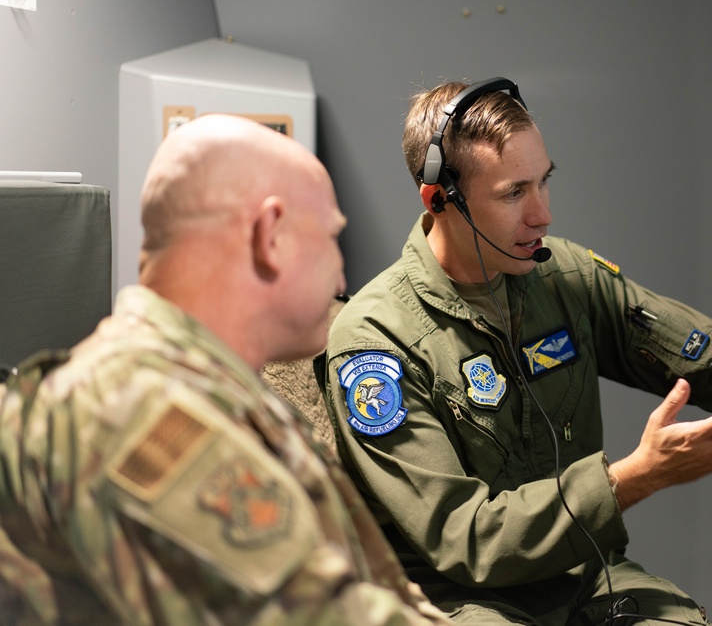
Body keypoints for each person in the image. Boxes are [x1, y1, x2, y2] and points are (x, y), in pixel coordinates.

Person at [322, 79, 712, 625]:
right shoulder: (377, 344)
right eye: (514, 194)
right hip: (465, 603)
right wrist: (631, 479)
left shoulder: (563, 277)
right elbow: (468, 540)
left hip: (584, 577)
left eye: (544, 181)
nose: (543, 214)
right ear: (440, 200)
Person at [0, 114, 450, 625]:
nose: (342, 272)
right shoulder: (140, 409)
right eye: (329, 238)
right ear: (270, 235)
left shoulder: (212, 394)